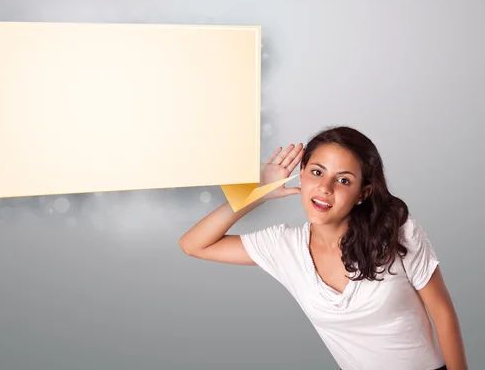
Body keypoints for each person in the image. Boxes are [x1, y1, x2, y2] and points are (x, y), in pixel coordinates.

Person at [178, 126, 467, 370]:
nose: (325, 188)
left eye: (343, 180)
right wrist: (256, 193)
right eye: (317, 172)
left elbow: (442, 313)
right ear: (301, 175)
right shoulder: (283, 247)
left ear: (362, 194)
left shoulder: (396, 229)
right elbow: (193, 244)